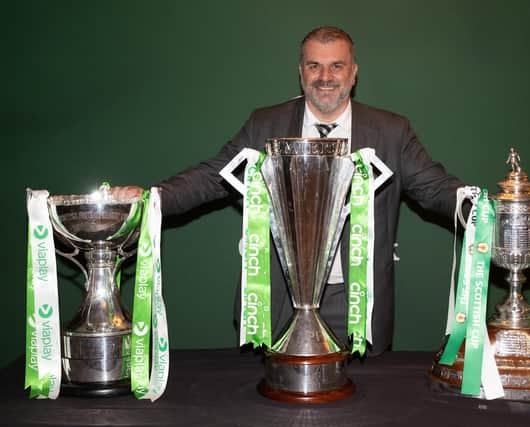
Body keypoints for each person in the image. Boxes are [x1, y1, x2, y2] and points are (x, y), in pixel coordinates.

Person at [116, 26, 465, 356]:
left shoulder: (391, 131)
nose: (325, 77)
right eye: (314, 66)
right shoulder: (264, 124)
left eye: (336, 66)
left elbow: (434, 188)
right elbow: (213, 177)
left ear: (353, 73)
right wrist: (153, 198)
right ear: (301, 72)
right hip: (277, 298)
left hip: (355, 302)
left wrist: (478, 208)